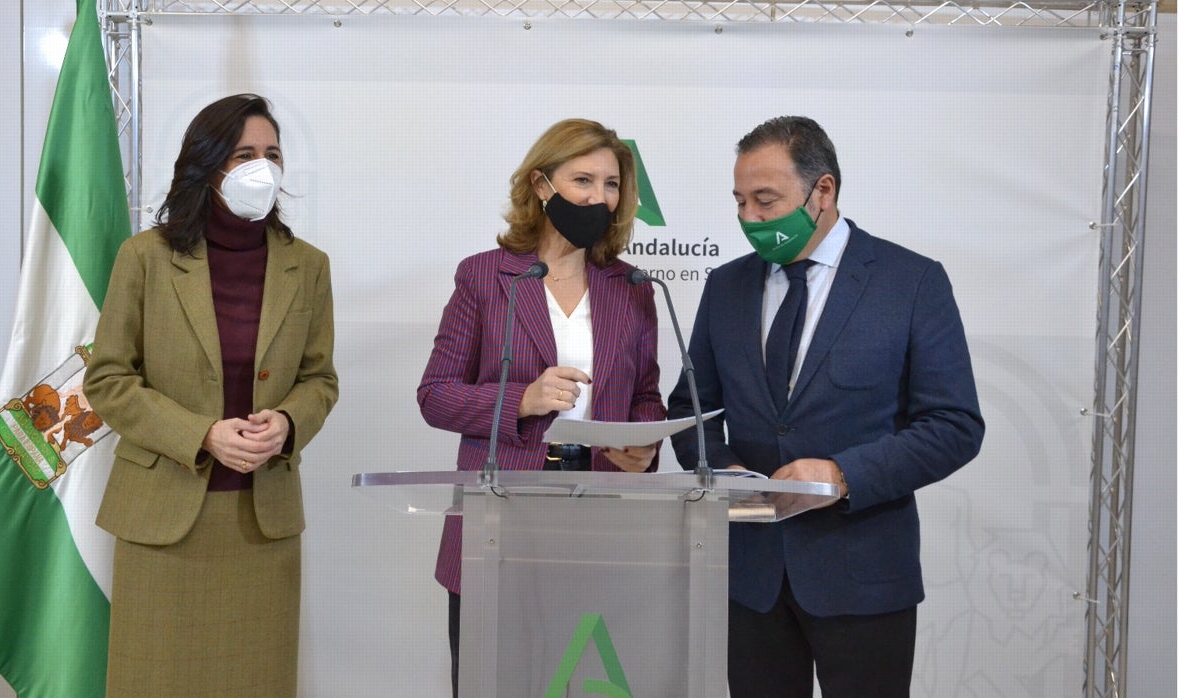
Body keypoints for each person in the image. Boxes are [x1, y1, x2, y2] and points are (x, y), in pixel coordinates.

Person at [667, 116, 984, 697]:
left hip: (864, 576)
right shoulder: (725, 286)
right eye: (740, 202)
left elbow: (954, 426)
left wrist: (841, 475)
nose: (750, 219)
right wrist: (724, 470)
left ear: (824, 190)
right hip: (751, 577)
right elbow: (691, 409)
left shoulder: (911, 282)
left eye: (767, 201)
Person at [83, 94, 338, 697]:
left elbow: (320, 379)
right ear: (208, 165)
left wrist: (289, 424)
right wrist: (200, 434)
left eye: (273, 154)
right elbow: (108, 380)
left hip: (261, 524)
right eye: (245, 153)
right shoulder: (145, 257)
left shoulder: (310, 265)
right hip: (163, 522)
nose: (263, 168)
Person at [417, 118, 667, 696]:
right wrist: (521, 400)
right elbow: (435, 394)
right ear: (541, 184)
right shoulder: (485, 276)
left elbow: (647, 395)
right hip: (499, 525)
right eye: (583, 179)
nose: (598, 197)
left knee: (588, 683)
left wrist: (642, 445)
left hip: (599, 529)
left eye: (610, 185)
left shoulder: (632, 287)